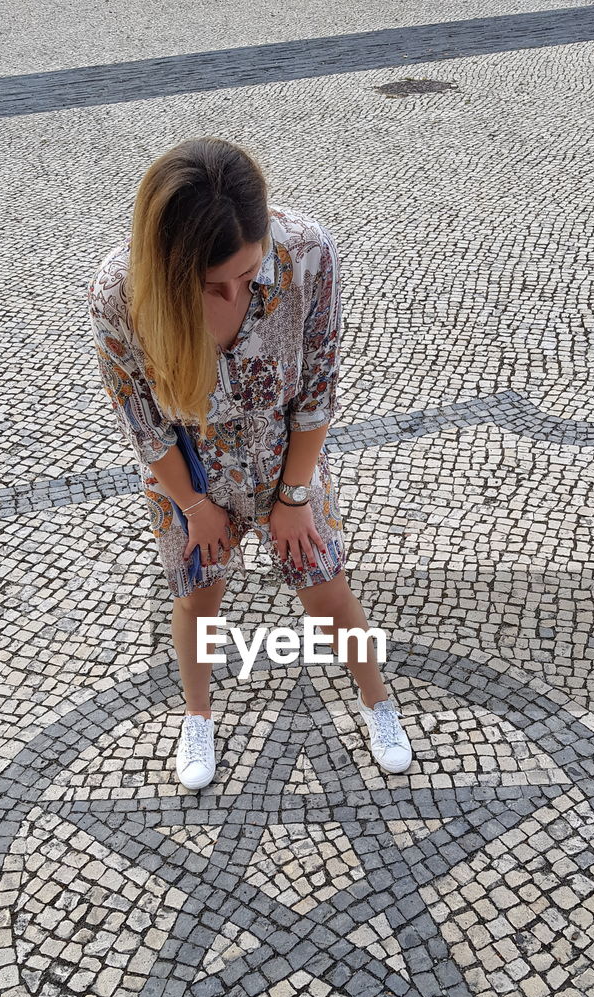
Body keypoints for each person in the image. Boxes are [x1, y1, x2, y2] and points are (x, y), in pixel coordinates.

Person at [87, 136, 413, 789]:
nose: (236, 293)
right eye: (213, 286)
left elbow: (318, 387)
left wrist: (293, 499)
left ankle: (378, 702)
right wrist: (196, 508)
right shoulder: (120, 295)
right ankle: (198, 716)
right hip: (192, 469)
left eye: (249, 273)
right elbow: (143, 423)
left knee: (324, 582)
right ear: (171, 269)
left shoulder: (308, 253)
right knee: (196, 594)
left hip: (285, 452)